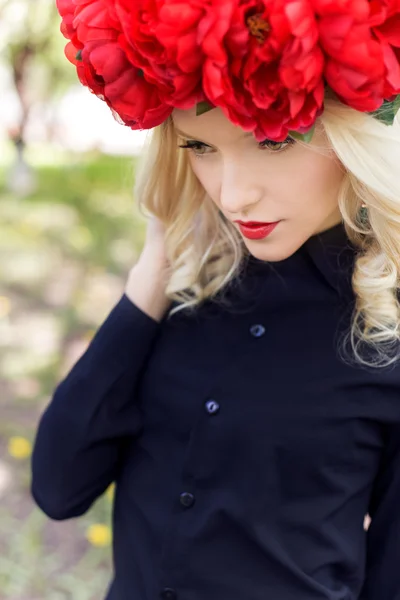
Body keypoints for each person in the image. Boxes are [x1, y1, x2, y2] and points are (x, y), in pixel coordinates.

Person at [31, 1, 400, 599]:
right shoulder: (183, 292)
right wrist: (150, 279)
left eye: (272, 142)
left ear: (354, 134)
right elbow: (57, 485)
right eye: (200, 148)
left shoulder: (389, 327)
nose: (233, 194)